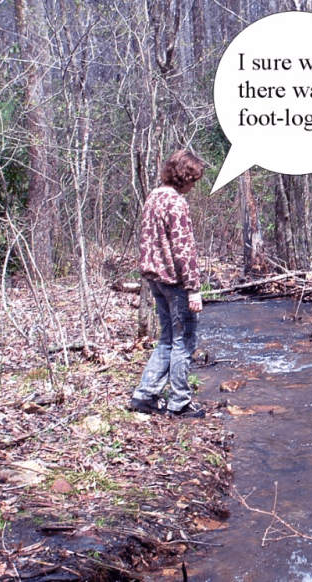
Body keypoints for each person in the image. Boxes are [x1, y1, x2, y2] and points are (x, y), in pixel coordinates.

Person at [129, 149, 209, 418]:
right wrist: (194, 288)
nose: (193, 185)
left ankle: (145, 395)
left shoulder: (153, 196)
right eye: (193, 179)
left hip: (154, 278)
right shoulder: (175, 203)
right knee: (184, 341)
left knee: (167, 339)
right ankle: (179, 403)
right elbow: (183, 249)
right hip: (174, 281)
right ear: (184, 176)